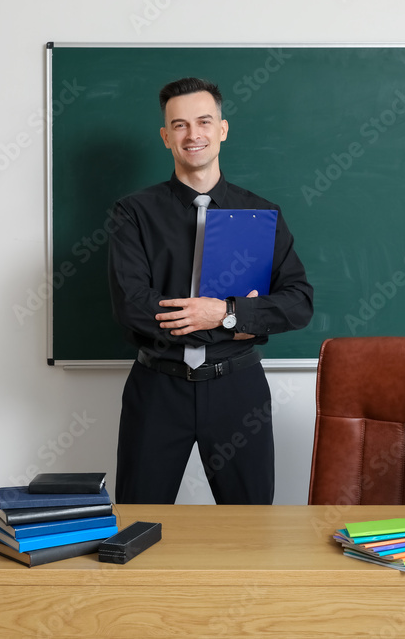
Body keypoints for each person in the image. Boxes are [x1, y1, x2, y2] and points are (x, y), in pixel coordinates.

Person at [108, 77, 313, 505]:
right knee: (136, 522)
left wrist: (225, 314)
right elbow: (133, 306)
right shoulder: (133, 213)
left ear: (223, 128)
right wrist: (240, 323)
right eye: (179, 125)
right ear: (166, 137)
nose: (193, 134)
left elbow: (298, 303)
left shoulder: (262, 215)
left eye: (203, 121)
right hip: (157, 388)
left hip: (238, 390)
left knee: (251, 527)